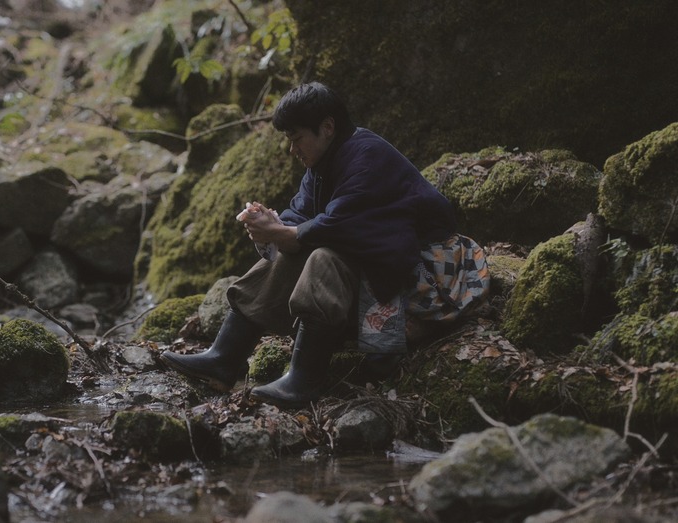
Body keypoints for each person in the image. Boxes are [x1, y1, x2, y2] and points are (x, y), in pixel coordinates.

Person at [160, 82, 488, 409]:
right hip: (382, 268)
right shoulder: (321, 165)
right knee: (292, 254)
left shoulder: (368, 157)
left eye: (297, 138)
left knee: (324, 258)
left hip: (427, 274)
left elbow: (337, 227)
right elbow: (300, 217)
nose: (293, 150)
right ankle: (224, 357)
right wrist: (272, 224)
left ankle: (304, 379)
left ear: (327, 127)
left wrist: (280, 233)